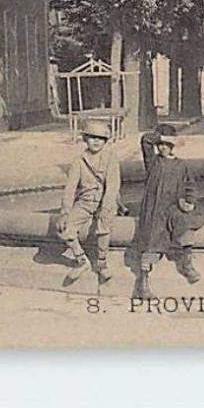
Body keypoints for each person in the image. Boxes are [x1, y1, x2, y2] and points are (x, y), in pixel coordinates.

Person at [131, 131, 204, 299]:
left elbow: (190, 186)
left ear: (173, 146)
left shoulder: (182, 165)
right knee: (151, 241)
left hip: (174, 207)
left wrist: (190, 201)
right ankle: (142, 285)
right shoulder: (153, 162)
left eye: (167, 145)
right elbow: (146, 140)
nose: (163, 148)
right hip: (155, 209)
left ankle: (186, 264)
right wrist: (161, 135)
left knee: (187, 224)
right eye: (160, 145)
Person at [57, 117, 121, 283]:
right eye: (92, 137)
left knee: (103, 227)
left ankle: (102, 263)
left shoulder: (110, 158)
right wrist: (65, 212)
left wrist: (106, 208)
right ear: (85, 139)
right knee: (64, 229)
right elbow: (70, 188)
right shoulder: (79, 161)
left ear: (105, 141)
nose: (96, 142)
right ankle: (82, 261)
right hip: (85, 203)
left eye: (100, 138)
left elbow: (113, 185)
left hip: (104, 201)